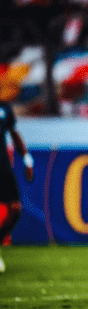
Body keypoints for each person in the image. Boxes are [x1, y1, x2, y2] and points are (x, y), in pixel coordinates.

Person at [0, 101, 33, 273]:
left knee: (15, 208)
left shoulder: (4, 108)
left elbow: (14, 132)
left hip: (3, 167)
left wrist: (26, 158)